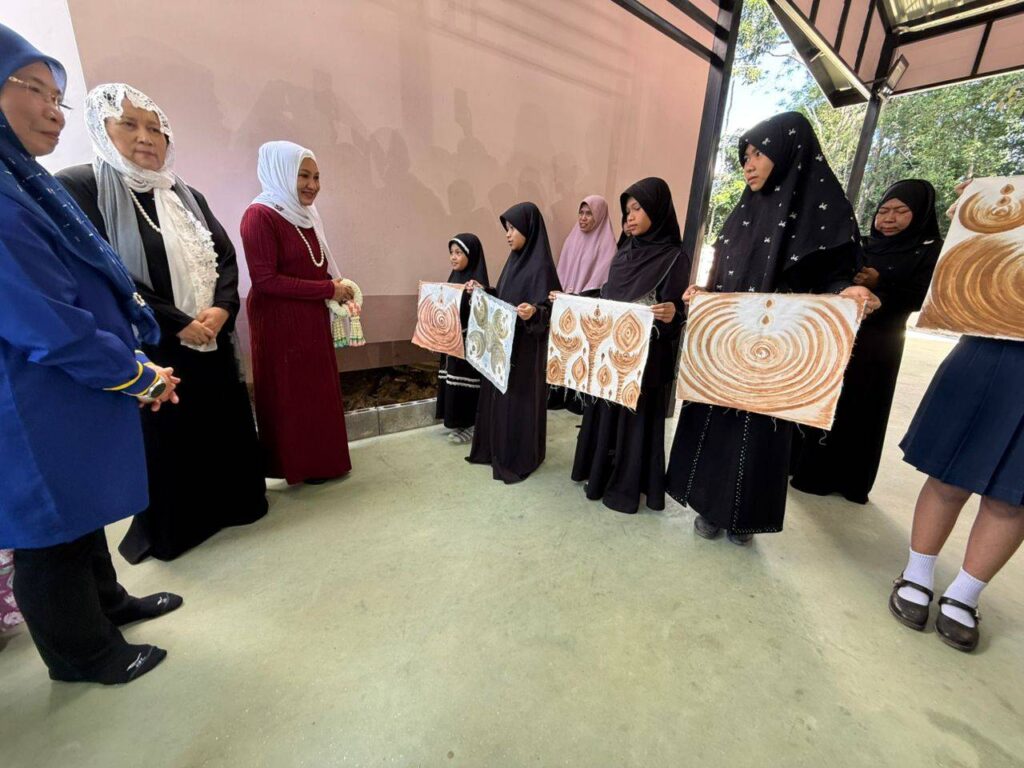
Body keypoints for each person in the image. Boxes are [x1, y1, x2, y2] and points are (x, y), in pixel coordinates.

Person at [1, 24, 182, 683]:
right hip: (32, 397)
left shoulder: (21, 179)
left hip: (67, 385)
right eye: (35, 90)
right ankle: (83, 654)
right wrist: (134, 373)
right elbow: (46, 321)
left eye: (58, 97)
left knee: (78, 515)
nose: (54, 111)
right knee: (50, 533)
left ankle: (108, 605)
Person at [58, 83, 267, 563]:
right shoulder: (82, 187)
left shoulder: (183, 193)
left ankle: (232, 505)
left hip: (210, 335)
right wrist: (176, 322)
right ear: (101, 129)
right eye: (129, 124)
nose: (145, 137)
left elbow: (224, 256)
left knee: (219, 424)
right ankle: (181, 527)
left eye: (155, 128)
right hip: (152, 343)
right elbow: (104, 271)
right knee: (167, 436)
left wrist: (222, 308)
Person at [665, 112, 879, 544]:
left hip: (779, 345)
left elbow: (831, 274)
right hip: (730, 342)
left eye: (758, 153)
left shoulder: (824, 211)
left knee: (761, 432)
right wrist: (705, 294)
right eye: (745, 156)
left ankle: (744, 519)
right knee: (716, 418)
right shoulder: (743, 212)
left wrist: (846, 291)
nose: (748, 164)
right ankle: (708, 506)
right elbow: (726, 274)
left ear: (787, 151)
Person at [888, 181, 1023, 653]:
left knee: (1013, 495)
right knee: (948, 473)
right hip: (989, 344)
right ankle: (917, 572)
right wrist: (974, 217)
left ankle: (966, 593)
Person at [791, 179, 941, 503]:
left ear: (920, 213)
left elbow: (925, 298)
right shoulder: (861, 244)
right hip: (841, 335)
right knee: (825, 399)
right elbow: (832, 276)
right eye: (883, 211)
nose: (889, 218)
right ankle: (809, 471)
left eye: (900, 211)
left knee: (862, 409)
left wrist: (880, 282)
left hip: (881, 343)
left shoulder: (929, 251)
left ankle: (849, 481)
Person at [568, 178, 690, 514]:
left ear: (657, 210)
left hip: (645, 360)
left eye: (637, 208)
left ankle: (625, 485)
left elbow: (675, 313)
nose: (629, 217)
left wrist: (673, 314)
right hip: (611, 353)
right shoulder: (624, 253)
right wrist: (572, 301)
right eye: (626, 211)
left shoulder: (674, 257)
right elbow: (608, 296)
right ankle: (599, 474)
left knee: (634, 422)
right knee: (606, 415)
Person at [241, 141, 353, 485]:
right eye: (303, 176)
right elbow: (265, 280)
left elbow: (315, 266)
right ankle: (298, 465)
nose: (312, 185)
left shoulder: (305, 215)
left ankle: (323, 461)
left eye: (316, 177)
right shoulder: (259, 216)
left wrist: (336, 287)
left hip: (310, 317)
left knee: (316, 389)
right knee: (292, 392)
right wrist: (327, 290)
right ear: (281, 173)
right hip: (279, 322)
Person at [466, 202, 560, 483]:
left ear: (529, 230)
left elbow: (552, 308)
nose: (508, 234)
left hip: (525, 351)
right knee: (500, 400)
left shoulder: (542, 267)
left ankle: (518, 455)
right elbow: (504, 298)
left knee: (517, 403)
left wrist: (535, 312)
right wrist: (485, 292)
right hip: (503, 344)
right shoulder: (513, 263)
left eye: (513, 228)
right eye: (506, 229)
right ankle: (496, 448)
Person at [549, 195, 617, 413]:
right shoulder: (572, 238)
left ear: (599, 216)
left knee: (582, 355)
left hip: (588, 307)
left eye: (589, 213)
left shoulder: (607, 246)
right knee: (562, 352)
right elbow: (561, 271)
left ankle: (577, 400)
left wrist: (579, 298)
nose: (583, 218)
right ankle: (557, 395)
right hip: (565, 305)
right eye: (581, 213)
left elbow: (601, 281)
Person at [435, 233, 490, 444]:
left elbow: (483, 315)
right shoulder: (454, 279)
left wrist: (477, 294)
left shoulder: (477, 283)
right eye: (451, 252)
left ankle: (472, 426)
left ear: (471, 255)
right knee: (452, 382)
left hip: (468, 347)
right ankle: (458, 422)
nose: (453, 257)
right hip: (452, 344)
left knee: (466, 384)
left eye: (458, 253)